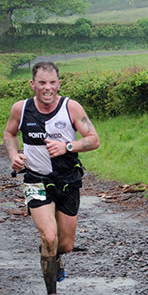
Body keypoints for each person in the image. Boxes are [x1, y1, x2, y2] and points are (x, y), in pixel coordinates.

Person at [3, 61, 100, 294]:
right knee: (48, 236)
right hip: (35, 180)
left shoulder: (71, 108)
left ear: (59, 83)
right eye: (42, 83)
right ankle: (51, 291)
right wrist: (14, 154)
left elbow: (94, 139)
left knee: (65, 245)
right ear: (32, 84)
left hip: (67, 180)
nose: (47, 88)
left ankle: (55, 257)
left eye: (52, 83)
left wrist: (67, 146)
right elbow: (9, 133)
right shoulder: (21, 108)